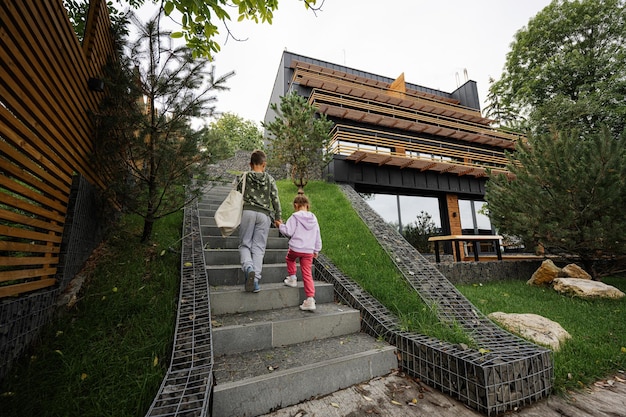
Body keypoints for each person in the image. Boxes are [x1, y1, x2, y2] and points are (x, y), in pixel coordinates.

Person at [237, 150, 282, 293]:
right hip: (264, 216)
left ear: (250, 164)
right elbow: (275, 199)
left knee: (245, 244)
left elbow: (237, 194)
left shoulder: (244, 177)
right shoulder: (270, 179)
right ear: (264, 165)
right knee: (259, 248)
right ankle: (255, 281)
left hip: (248, 212)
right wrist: (278, 217)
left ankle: (248, 267)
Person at [277, 194, 322, 311]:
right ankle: (310, 299)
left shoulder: (295, 217)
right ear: (307, 205)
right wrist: (316, 249)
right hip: (308, 251)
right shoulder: (314, 218)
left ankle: (292, 278)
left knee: (290, 259)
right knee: (307, 273)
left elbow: (289, 231)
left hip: (296, 248)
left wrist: (280, 225)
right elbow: (317, 235)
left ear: (296, 205)